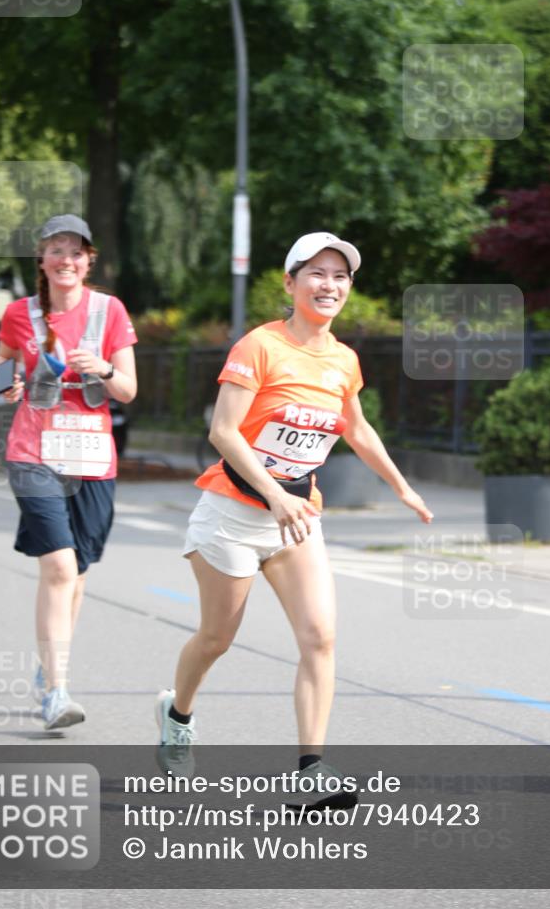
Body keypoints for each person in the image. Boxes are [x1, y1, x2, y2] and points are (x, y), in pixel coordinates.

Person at [155, 231, 433, 798]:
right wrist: (275, 496)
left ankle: (311, 769)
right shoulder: (258, 346)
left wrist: (401, 486)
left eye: (341, 277)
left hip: (298, 520)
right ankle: (177, 717)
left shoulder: (344, 360)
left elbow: (356, 429)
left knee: (319, 639)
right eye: (317, 273)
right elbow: (223, 431)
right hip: (233, 514)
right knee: (215, 638)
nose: (329, 285)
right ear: (290, 282)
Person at [0, 214, 137, 731]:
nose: (66, 260)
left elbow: (128, 390)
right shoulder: (19, 314)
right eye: (55, 250)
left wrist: (101, 368)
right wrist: (8, 383)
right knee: (57, 568)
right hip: (33, 451)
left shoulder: (110, 310)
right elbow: (1, 368)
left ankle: (46, 666)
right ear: (42, 260)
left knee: (77, 572)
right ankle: (57, 692)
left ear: (88, 261)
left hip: (92, 457)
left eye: (75, 251)